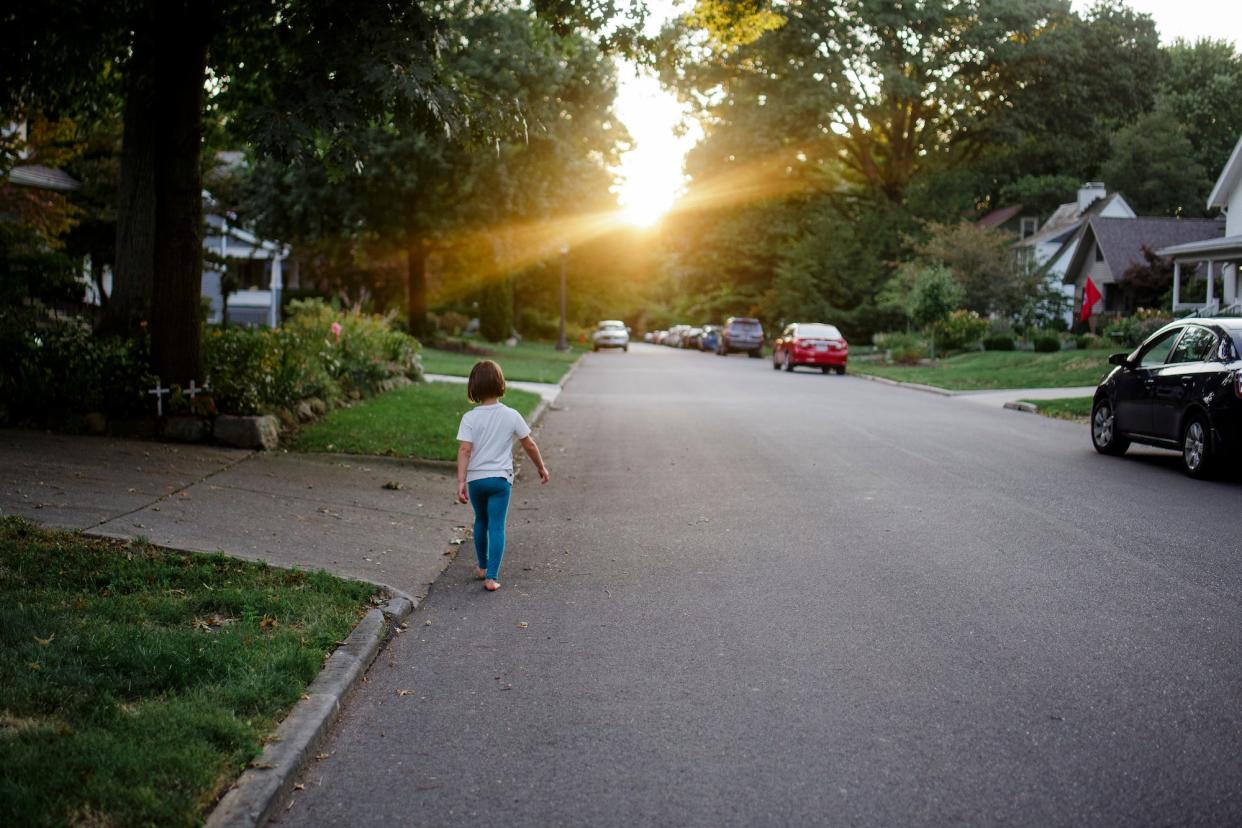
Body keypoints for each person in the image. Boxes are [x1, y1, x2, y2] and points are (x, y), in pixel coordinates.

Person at [455, 360, 550, 591]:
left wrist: (461, 480)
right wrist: (540, 467)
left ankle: (482, 567)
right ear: (501, 384)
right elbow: (529, 444)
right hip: (499, 480)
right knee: (496, 525)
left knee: (481, 521)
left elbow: (465, 449)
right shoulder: (511, 415)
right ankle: (492, 578)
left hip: (476, 480)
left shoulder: (470, 418)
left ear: (474, 387)